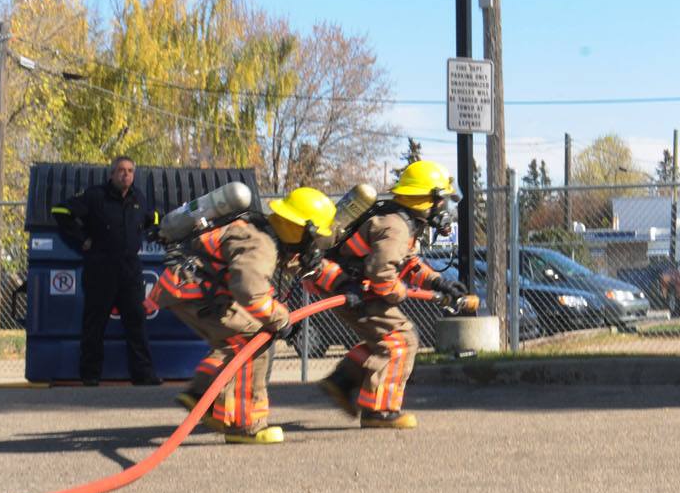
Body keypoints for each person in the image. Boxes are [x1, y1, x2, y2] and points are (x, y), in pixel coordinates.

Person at [151, 186, 335, 444]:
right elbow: (250, 293)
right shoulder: (261, 244)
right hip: (197, 294)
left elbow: (296, 265)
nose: (312, 246)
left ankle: (203, 395)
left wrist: (340, 279)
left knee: (237, 341)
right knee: (254, 339)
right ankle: (245, 425)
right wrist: (282, 320)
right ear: (299, 229)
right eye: (313, 238)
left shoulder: (261, 231)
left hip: (188, 290)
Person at [312, 160, 468, 429]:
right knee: (400, 339)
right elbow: (381, 274)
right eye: (440, 200)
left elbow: (407, 263)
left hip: (351, 285)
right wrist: (399, 293)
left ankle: (342, 381)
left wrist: (437, 282)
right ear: (425, 199)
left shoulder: (401, 220)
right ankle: (379, 410)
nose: (443, 208)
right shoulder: (396, 227)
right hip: (346, 287)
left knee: (384, 339)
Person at [51, 156, 159, 386]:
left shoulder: (138, 197)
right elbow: (60, 211)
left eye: (130, 170)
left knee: (137, 323)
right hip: (101, 270)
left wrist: (151, 228)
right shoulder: (95, 196)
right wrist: (83, 239)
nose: (126, 175)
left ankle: (144, 375)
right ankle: (90, 375)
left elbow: (152, 217)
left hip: (130, 271)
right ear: (111, 174)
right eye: (121, 170)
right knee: (94, 324)